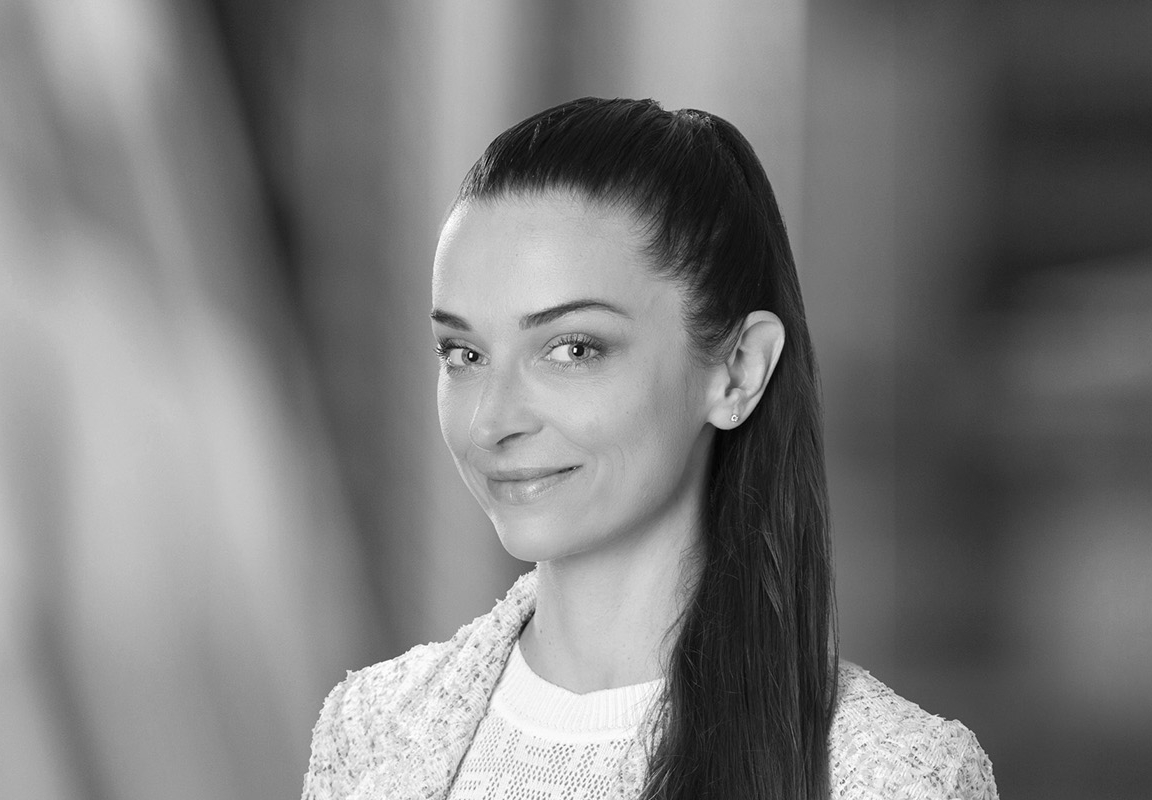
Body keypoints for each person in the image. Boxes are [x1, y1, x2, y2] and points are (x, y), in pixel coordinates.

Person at [300, 97, 998, 800]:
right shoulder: (369, 732)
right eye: (464, 354)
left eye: (574, 349)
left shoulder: (890, 775)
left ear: (739, 370)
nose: (491, 422)